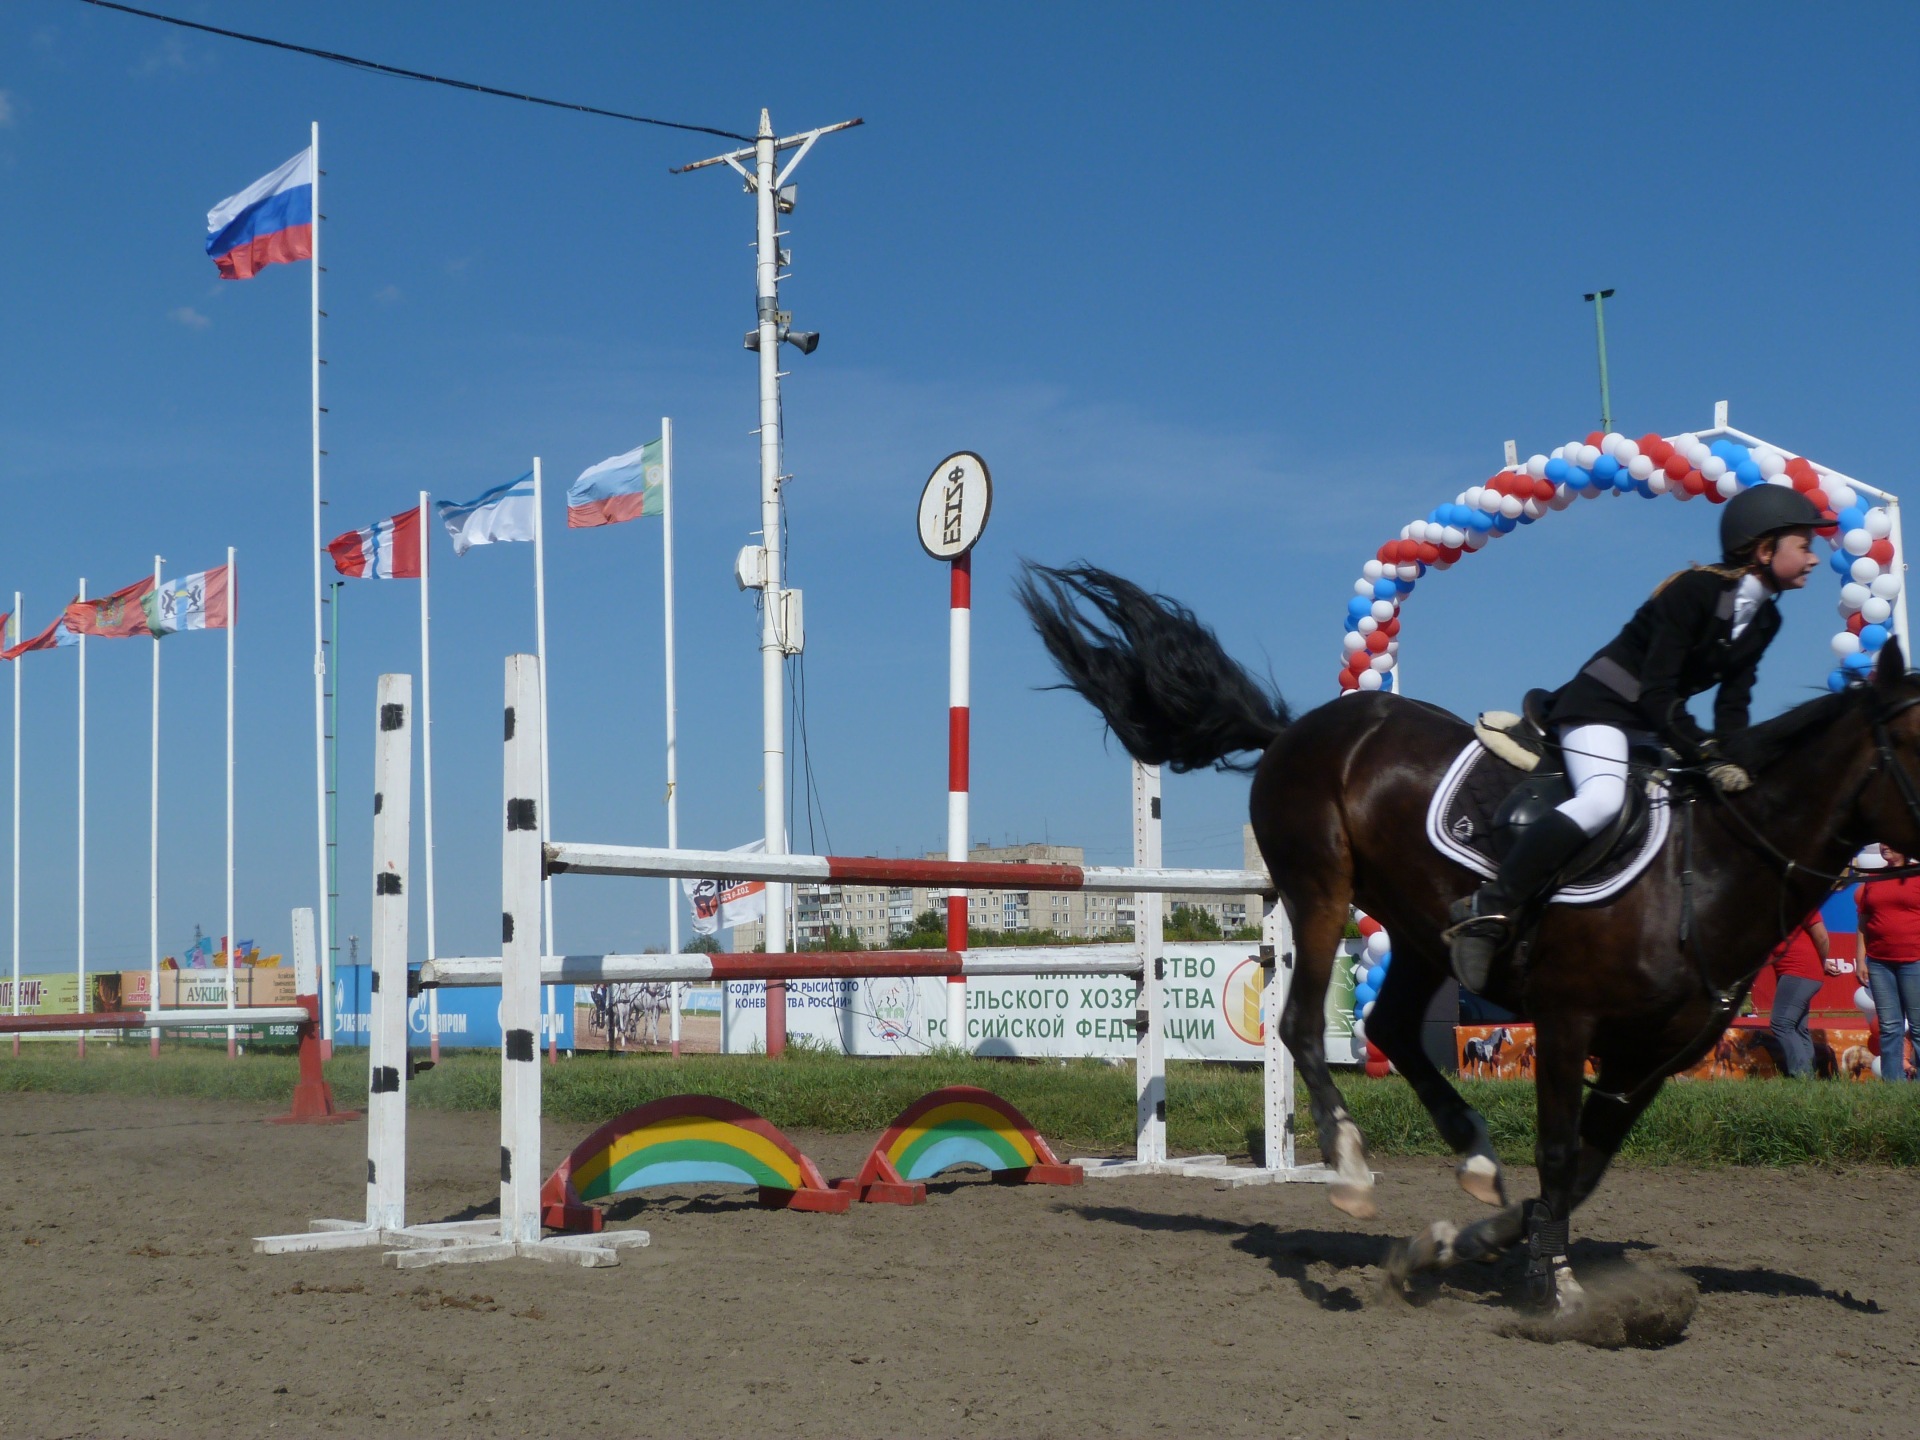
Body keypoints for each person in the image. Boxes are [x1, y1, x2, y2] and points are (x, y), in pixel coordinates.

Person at [1449, 483, 1824, 991]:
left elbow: (1733, 704)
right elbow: (1658, 689)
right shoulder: (1694, 591)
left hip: (1648, 724)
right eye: (1804, 546)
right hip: (1599, 708)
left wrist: (1738, 759)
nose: (1813, 558)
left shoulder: (1766, 619)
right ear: (1764, 550)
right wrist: (1704, 751)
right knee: (1602, 799)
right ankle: (1487, 909)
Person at [1855, 845, 1920, 1081]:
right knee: (1890, 1026)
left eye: (1890, 842)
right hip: (1879, 964)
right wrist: (1860, 958)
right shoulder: (1874, 878)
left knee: (1918, 1026)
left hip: (1914, 961)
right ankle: (1893, 1086)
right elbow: (1864, 921)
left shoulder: (1917, 874)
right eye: (1882, 842)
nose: (1884, 846)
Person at [1766, 910, 1837, 1077]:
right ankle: (1808, 1076)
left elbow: (1822, 937)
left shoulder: (1802, 902)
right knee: (1797, 1027)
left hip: (1798, 972)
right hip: (1796, 971)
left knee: (1781, 1024)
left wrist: (1821, 962)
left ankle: (1802, 1075)